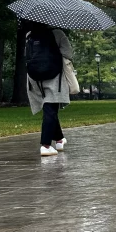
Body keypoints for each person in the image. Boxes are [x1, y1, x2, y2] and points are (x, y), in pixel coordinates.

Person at [25, 22, 74, 156]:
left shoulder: (29, 35)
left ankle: (59, 140)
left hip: (35, 79)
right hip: (54, 78)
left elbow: (27, 56)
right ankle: (45, 146)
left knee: (49, 109)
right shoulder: (58, 33)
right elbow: (68, 54)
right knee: (50, 110)